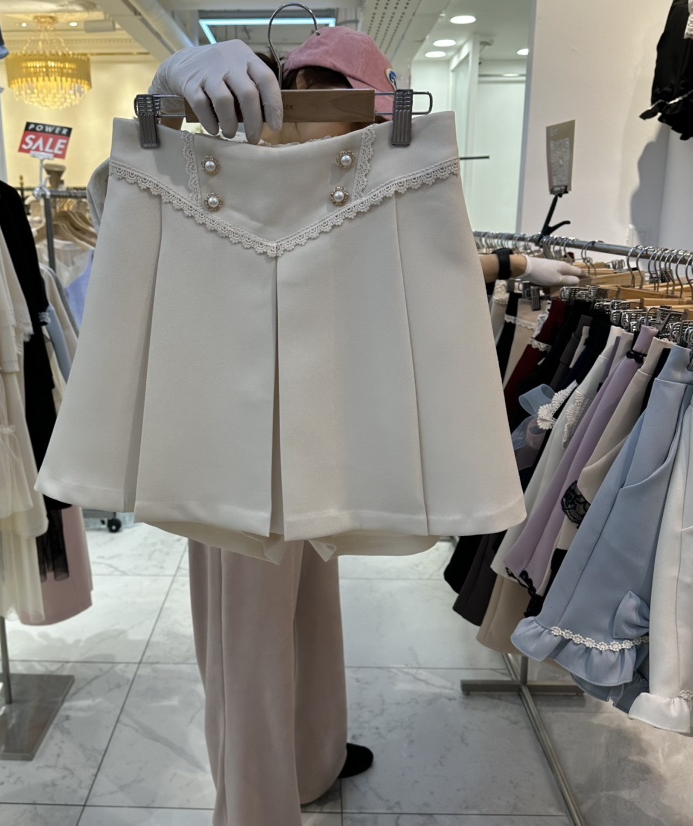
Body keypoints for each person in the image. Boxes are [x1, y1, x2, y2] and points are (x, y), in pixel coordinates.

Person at [147, 29, 581, 826]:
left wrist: (518, 266)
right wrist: (167, 88)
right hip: (237, 446)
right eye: (358, 113)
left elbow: (419, 257)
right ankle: (255, 806)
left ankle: (312, 755)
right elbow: (129, 211)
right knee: (247, 645)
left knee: (311, 606)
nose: (367, 133)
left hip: (321, 429)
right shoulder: (225, 163)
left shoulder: (351, 174)